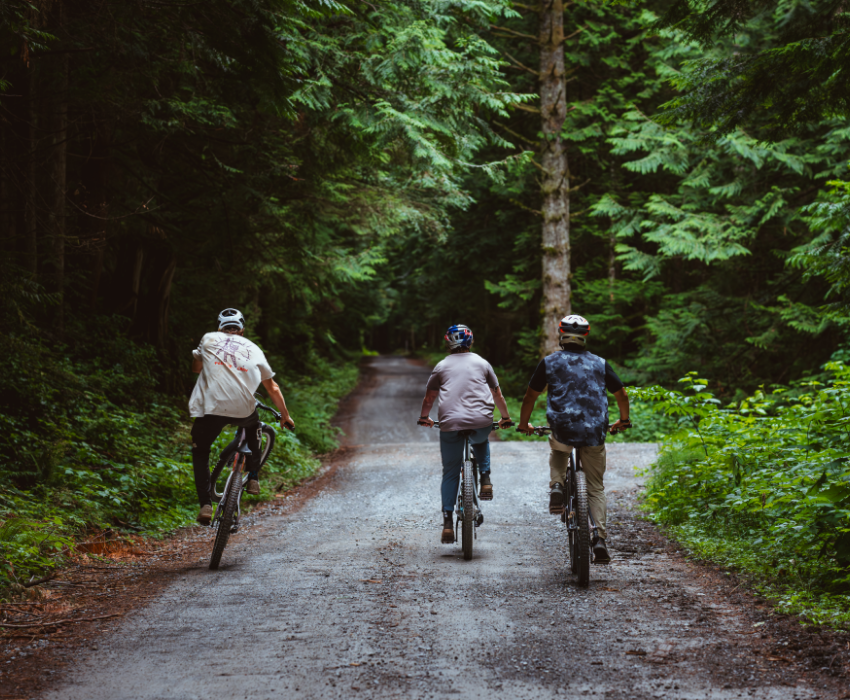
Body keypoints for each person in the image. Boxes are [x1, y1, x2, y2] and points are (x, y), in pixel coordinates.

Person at [517, 314, 630, 564]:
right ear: (585, 335)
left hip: (562, 428)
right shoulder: (600, 363)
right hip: (594, 431)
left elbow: (529, 397)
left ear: (561, 334)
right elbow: (621, 393)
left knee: (559, 450)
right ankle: (599, 537)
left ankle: (557, 485)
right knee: (596, 487)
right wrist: (623, 420)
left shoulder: (549, 363)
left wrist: (524, 423)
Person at [189, 308, 294, 525]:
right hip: (243, 409)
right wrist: (285, 416)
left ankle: (206, 505)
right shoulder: (253, 350)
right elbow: (272, 388)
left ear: (219, 329)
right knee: (253, 425)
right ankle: (253, 476)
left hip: (211, 410)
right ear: (242, 331)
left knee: (200, 453)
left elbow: (196, 369)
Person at [417, 324, 513, 543]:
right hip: (481, 421)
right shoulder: (482, 363)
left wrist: (424, 417)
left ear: (447, 342)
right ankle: (485, 477)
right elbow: (497, 394)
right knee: (481, 436)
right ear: (471, 342)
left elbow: (429, 398)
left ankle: (448, 522)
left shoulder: (441, 366)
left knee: (450, 472)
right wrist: (505, 417)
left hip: (450, 424)